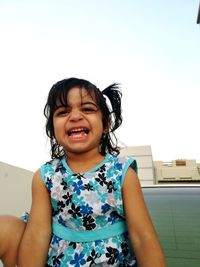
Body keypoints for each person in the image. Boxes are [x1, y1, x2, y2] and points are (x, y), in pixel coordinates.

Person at [0, 77, 166, 267]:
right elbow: (38, 235)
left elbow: (142, 237)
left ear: (106, 124)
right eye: (63, 111)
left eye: (87, 109)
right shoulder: (46, 176)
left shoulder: (122, 173)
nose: (75, 116)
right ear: (53, 130)